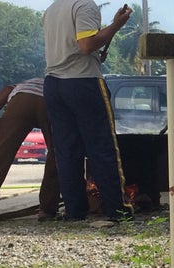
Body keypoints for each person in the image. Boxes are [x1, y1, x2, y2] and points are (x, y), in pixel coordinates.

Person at [42, 1, 133, 221]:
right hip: (83, 81)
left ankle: (75, 210)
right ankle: (117, 209)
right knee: (101, 147)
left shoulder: (53, 9)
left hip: (54, 84)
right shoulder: (85, 5)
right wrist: (117, 25)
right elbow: (86, 45)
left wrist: (110, 27)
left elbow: (80, 46)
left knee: (67, 151)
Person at [0, 78, 60, 223]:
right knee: (57, 153)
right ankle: (46, 210)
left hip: (20, 102)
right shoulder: (53, 82)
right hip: (48, 101)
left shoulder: (22, 85)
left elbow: (6, 90)